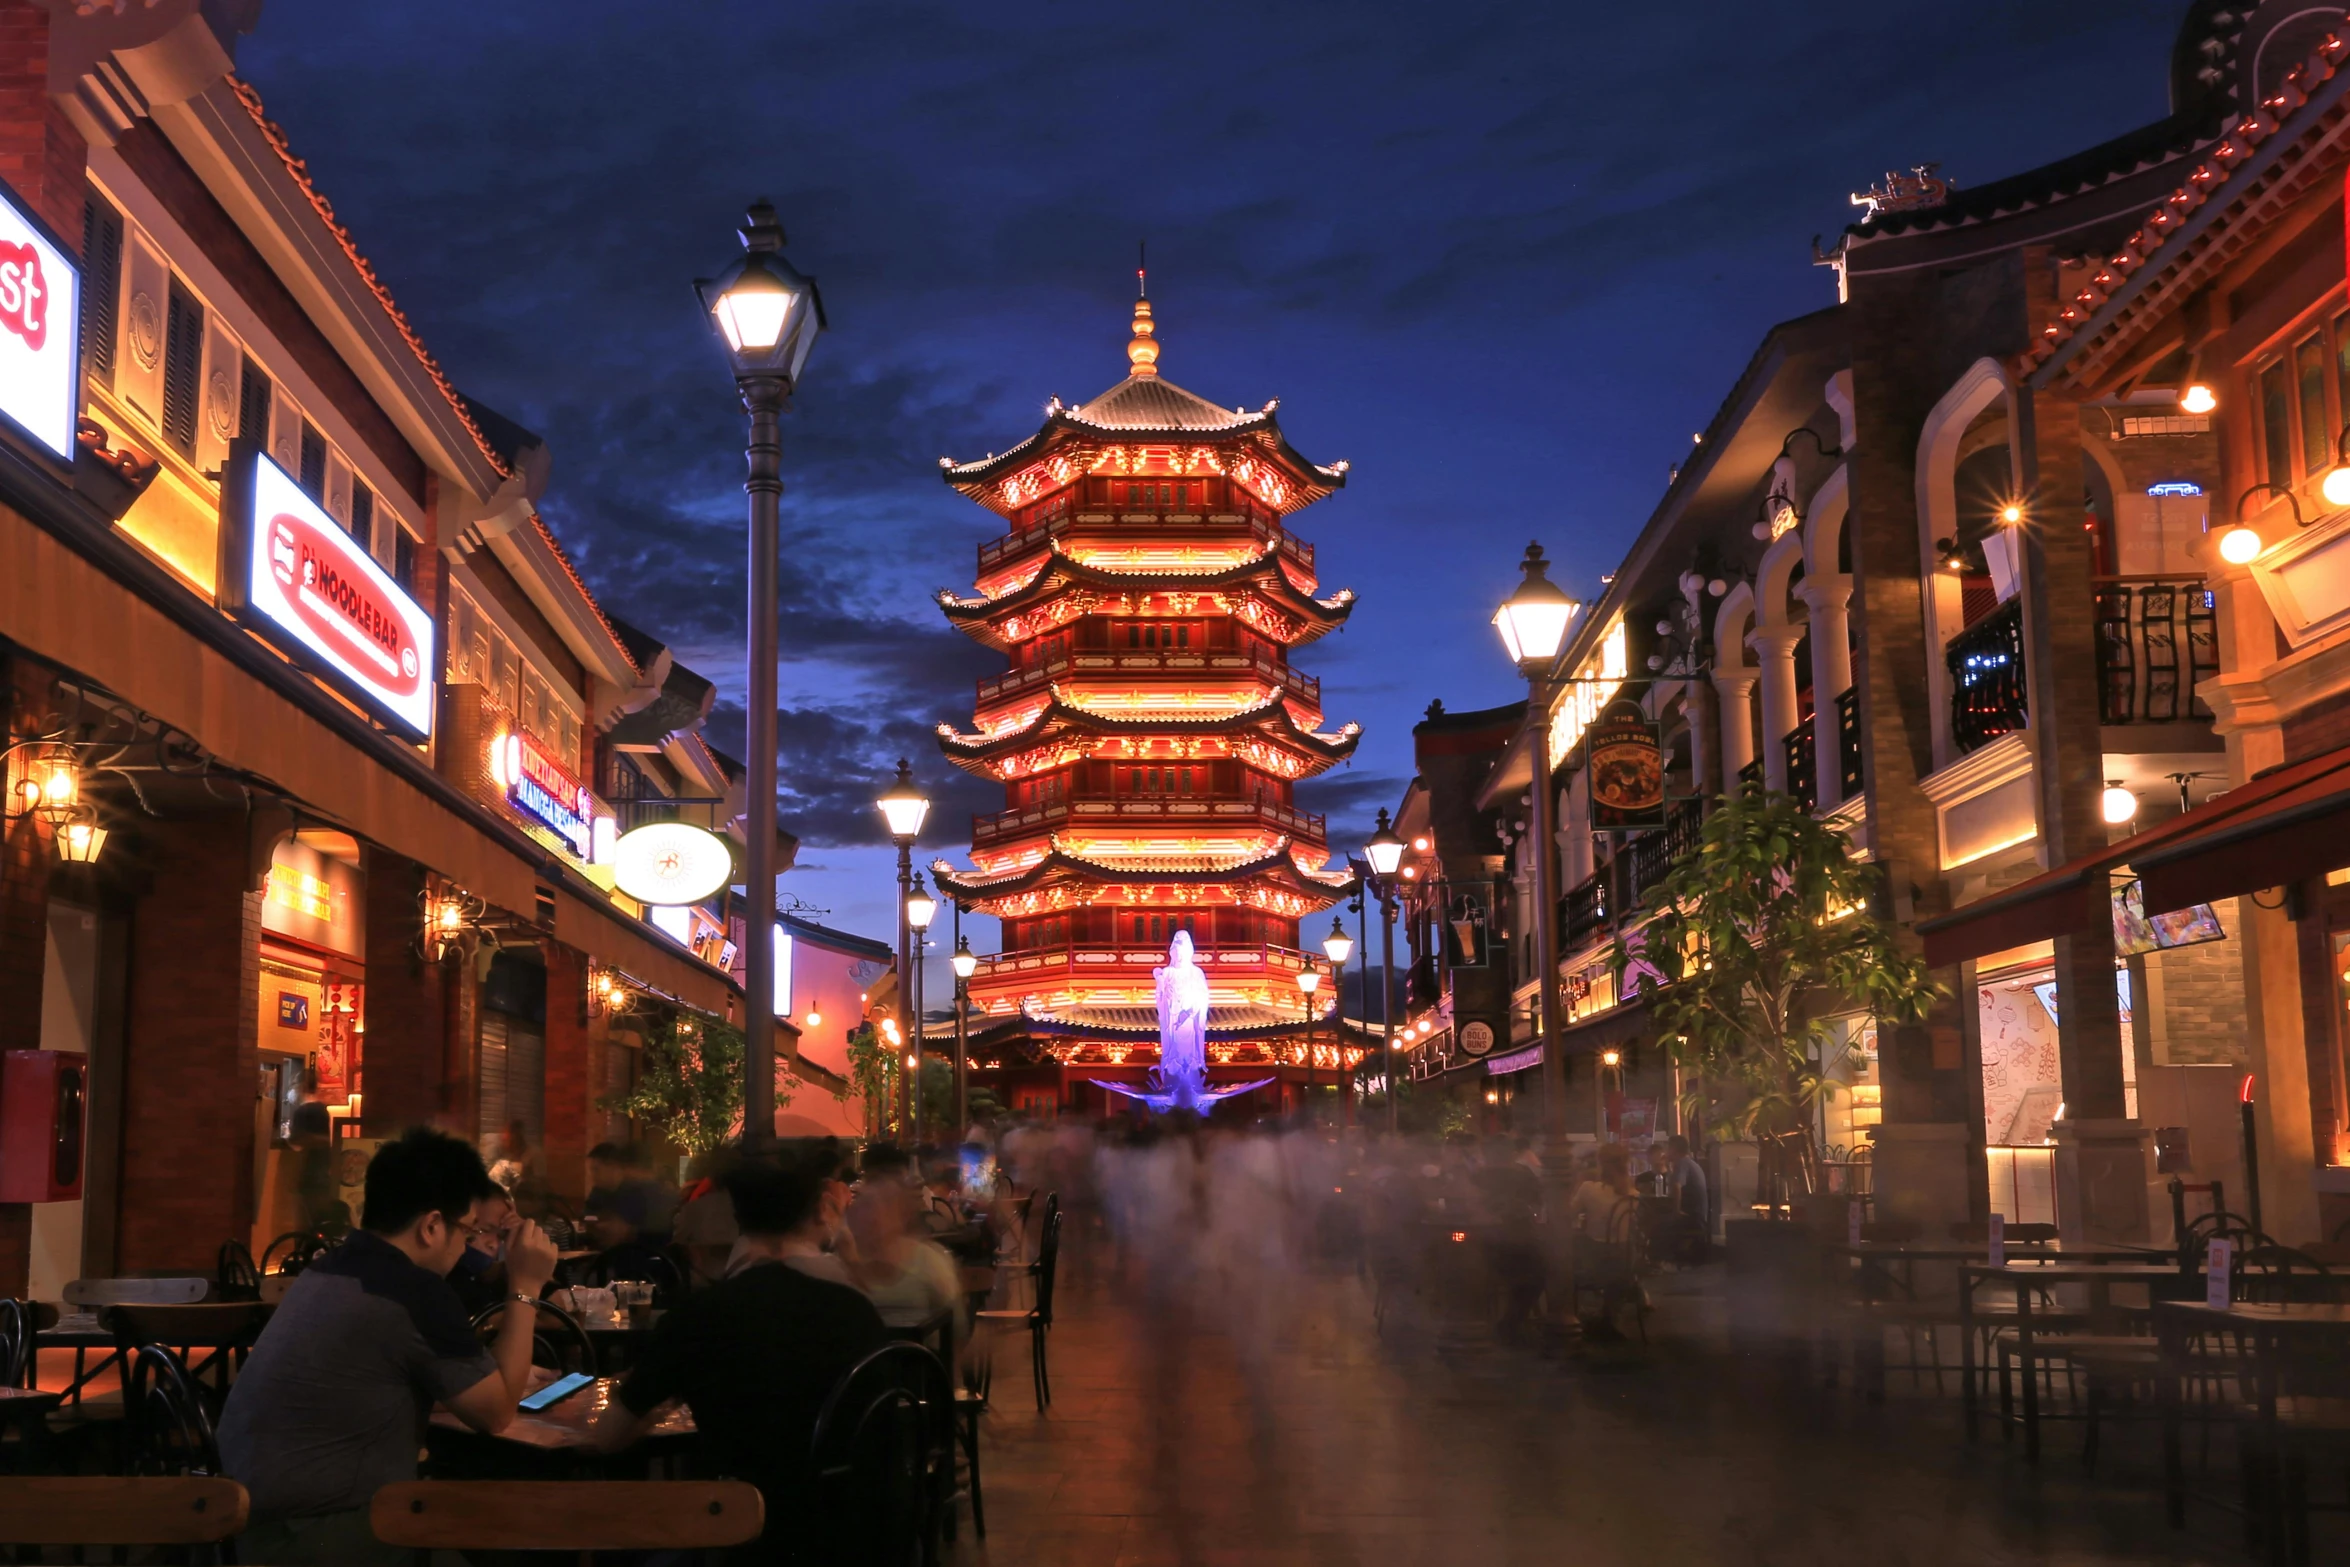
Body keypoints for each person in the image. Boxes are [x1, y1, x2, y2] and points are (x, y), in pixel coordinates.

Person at [219, 1127, 558, 1566]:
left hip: (239, 1516)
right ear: (432, 1225)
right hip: (316, 1533)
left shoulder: (331, 1267)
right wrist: (526, 1284)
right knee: (505, 1528)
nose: (466, 1246)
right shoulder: (413, 1291)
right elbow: (495, 1414)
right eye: (467, 1231)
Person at [595, 1149, 889, 1563]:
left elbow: (607, 1439)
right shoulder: (857, 1311)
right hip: (852, 1533)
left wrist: (659, 1393)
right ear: (815, 1216)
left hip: (737, 1534)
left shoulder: (701, 1315)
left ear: (737, 1220)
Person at [844, 1146, 963, 1334]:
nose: (872, 1217)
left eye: (884, 1208)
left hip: (918, 1358)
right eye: (866, 1208)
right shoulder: (841, 1262)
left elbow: (954, 1328)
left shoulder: (929, 1261)